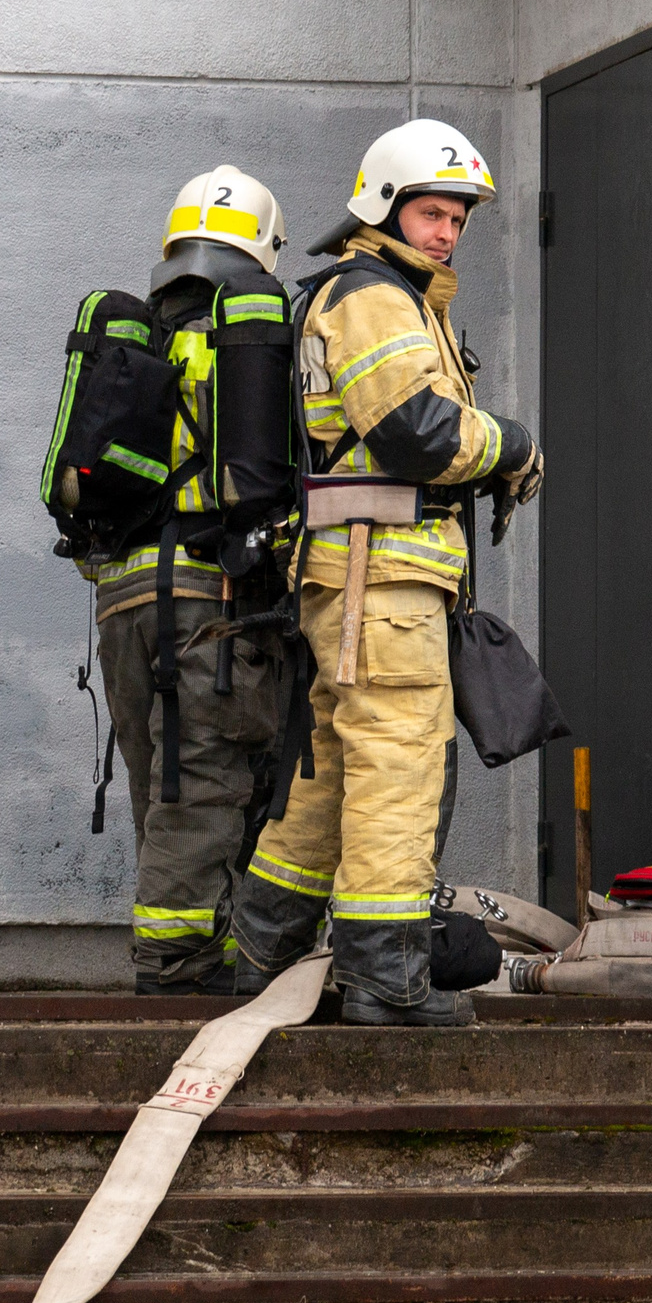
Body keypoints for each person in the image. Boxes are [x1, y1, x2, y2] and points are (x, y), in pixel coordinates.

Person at [227, 119, 544, 1025]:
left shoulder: (391, 293)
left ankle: (262, 955)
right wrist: (512, 444)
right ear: (383, 207)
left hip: (361, 582)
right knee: (399, 769)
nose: (448, 233)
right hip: (383, 585)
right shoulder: (372, 295)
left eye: (459, 218)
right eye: (432, 213)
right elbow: (417, 431)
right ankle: (385, 979)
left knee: (330, 774)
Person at [83, 166, 294, 993]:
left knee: (159, 782)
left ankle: (195, 944)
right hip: (210, 598)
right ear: (262, 248)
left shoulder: (136, 343)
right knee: (201, 784)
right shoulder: (248, 340)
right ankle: (176, 964)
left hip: (121, 598)